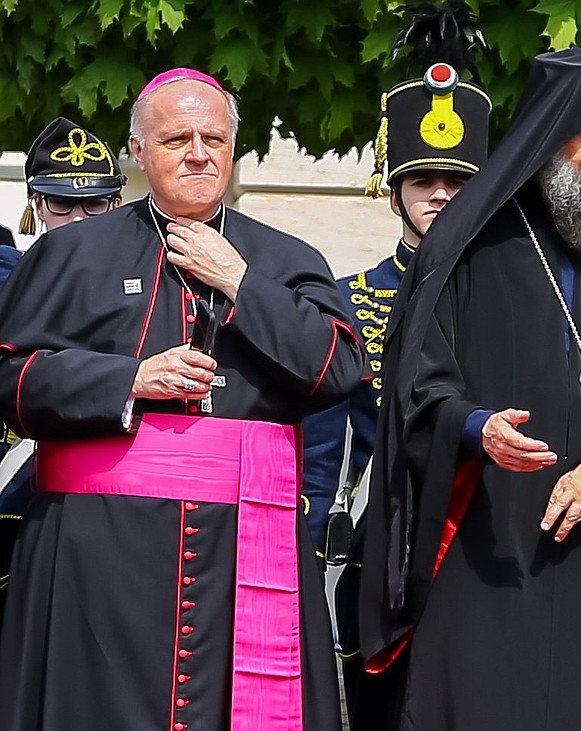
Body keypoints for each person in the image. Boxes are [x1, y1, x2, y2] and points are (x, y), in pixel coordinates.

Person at [0, 68, 364, 730]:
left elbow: (338, 370)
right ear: (137, 151)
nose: (199, 151)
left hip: (245, 552)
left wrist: (241, 281)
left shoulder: (283, 257)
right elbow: (9, 380)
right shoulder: (72, 254)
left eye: (213, 137)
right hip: (98, 558)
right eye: (176, 138)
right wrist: (125, 381)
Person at [353, 48, 581, 730]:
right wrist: (475, 425)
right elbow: (416, 379)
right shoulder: (465, 241)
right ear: (549, 139)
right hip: (490, 531)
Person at [301, 3, 492, 726]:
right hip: (380, 543)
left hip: (482, 537)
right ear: (394, 191)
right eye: (423, 180)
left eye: (456, 180)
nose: (441, 193)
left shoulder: (511, 298)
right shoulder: (351, 301)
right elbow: (326, 446)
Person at [0, 116, 128, 630]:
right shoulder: (8, 280)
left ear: (116, 204)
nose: (78, 219)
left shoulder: (159, 283)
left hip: (113, 494)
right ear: (35, 206)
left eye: (94, 203)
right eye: (61, 203)